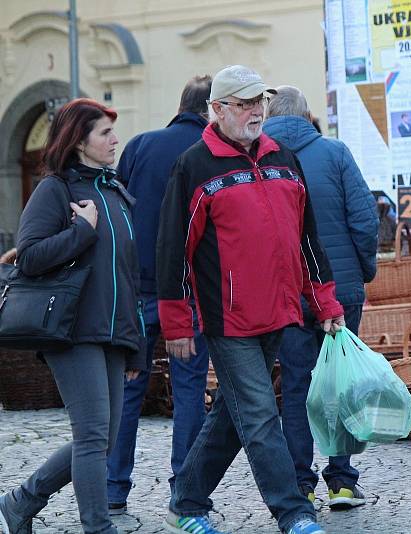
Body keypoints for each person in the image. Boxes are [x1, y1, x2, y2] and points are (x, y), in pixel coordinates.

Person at [157, 65, 341, 534]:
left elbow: (308, 241)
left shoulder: (284, 158)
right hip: (228, 319)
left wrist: (325, 304)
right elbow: (172, 249)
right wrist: (177, 324)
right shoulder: (194, 166)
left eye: (259, 100)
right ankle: (295, 513)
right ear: (217, 111)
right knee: (260, 415)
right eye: (244, 103)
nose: (256, 111)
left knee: (232, 415)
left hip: (279, 312)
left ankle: (186, 501)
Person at [0, 98, 146, 534]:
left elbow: (129, 275)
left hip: (115, 334)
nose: (115, 139)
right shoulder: (55, 189)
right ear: (79, 141)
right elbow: (28, 257)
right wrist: (82, 231)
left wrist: (136, 345)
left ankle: (22, 500)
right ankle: (98, 527)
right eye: (104, 133)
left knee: (101, 441)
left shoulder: (116, 192)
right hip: (73, 331)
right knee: (92, 437)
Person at [263, 86, 378, 509]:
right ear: (308, 116)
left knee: (296, 387)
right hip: (340, 290)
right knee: (342, 385)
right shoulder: (335, 153)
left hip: (288, 295)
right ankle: (343, 481)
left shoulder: (261, 161)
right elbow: (364, 220)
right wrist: (361, 273)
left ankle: (300, 483)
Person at [106, 75, 213, 515]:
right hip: (187, 293)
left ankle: (113, 488)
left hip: (136, 290)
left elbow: (121, 208)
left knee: (128, 390)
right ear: (212, 111)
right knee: (189, 392)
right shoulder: (210, 155)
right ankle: (183, 491)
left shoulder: (140, 145)